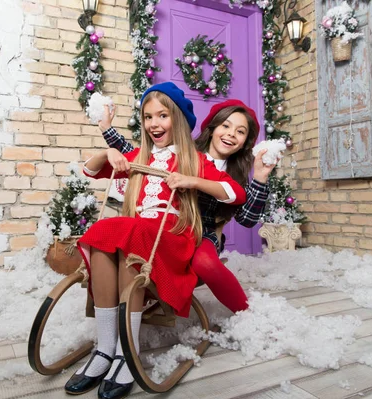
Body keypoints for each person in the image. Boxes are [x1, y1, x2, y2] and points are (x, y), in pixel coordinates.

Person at [65, 82, 247, 399]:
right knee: (104, 232)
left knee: (130, 230)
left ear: (177, 118)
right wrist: (107, 153)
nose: (154, 124)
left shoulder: (196, 161)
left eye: (162, 115)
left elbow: (236, 194)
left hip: (173, 238)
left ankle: (127, 351)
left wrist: (193, 180)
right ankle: (106, 348)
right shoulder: (141, 157)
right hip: (142, 237)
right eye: (148, 117)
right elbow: (90, 171)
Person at [99, 99, 276, 314]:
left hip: (203, 233)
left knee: (204, 263)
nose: (230, 134)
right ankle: (126, 303)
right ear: (212, 129)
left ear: (245, 141)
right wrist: (107, 131)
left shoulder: (235, 176)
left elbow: (247, 220)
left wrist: (259, 177)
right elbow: (141, 158)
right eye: (225, 126)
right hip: (168, 226)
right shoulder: (186, 152)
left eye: (240, 132)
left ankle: (246, 313)